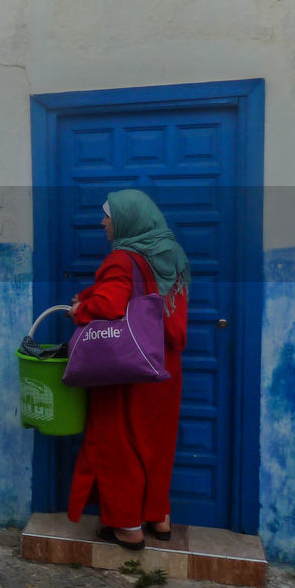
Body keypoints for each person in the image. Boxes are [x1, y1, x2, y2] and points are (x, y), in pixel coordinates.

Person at [66, 189, 189, 550]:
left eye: (109, 216)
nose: (103, 222)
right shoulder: (173, 254)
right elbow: (151, 299)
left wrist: (80, 311)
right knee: (157, 441)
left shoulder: (122, 258)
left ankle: (127, 526)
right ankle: (158, 517)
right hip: (165, 365)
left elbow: (111, 304)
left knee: (118, 441)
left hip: (129, 367)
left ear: (126, 220)